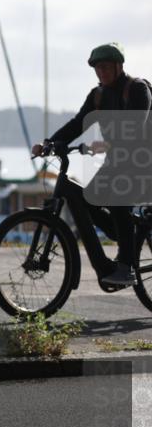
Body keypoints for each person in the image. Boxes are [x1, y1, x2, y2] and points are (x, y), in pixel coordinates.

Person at [31, 42, 151, 286]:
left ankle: (126, 265)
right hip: (118, 161)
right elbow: (78, 123)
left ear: (119, 66)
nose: (101, 72)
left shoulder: (137, 90)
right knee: (82, 194)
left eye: (106, 67)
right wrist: (50, 144)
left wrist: (106, 146)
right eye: (97, 68)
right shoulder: (98, 95)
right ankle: (122, 237)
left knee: (118, 196)